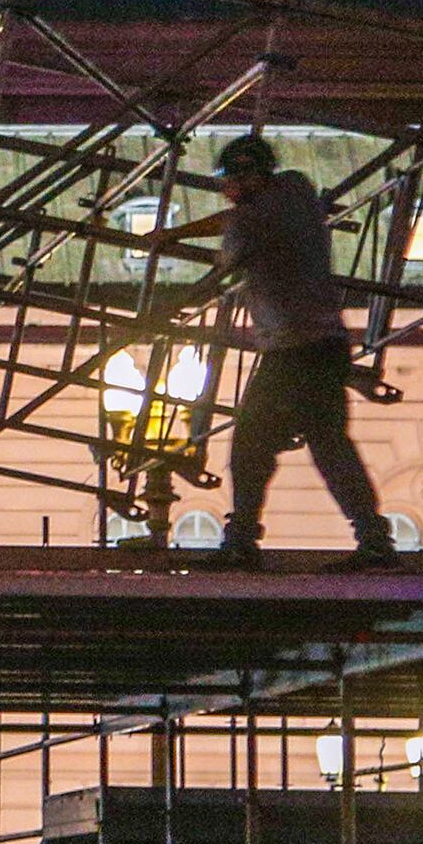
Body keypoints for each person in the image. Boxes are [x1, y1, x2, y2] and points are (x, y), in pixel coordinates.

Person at [156, 134, 393, 570]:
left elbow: (227, 258)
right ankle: (374, 539)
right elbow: (235, 217)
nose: (224, 189)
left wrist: (169, 243)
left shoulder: (250, 223)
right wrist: (179, 232)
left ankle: (242, 539)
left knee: (250, 443)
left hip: (291, 348)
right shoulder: (298, 192)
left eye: (226, 180)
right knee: (329, 444)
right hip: (326, 343)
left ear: (245, 177)